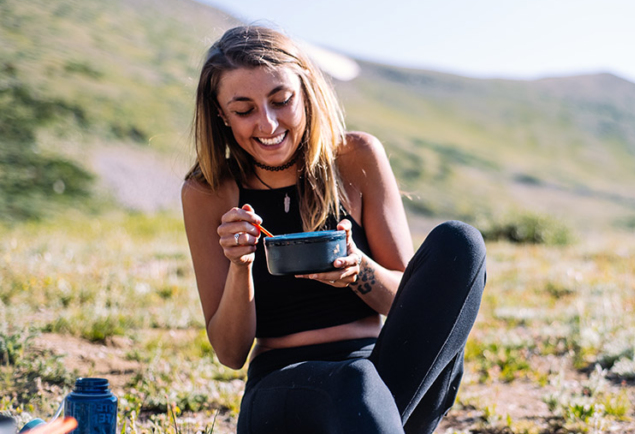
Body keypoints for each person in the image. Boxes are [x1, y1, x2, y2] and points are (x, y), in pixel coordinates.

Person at [181, 25, 487, 434]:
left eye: (281, 100)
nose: (268, 124)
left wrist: (358, 271)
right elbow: (230, 351)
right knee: (355, 384)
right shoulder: (209, 191)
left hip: (386, 375)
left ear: (305, 92)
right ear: (221, 115)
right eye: (244, 110)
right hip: (283, 387)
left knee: (459, 244)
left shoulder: (356, 157)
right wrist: (240, 266)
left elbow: (409, 305)